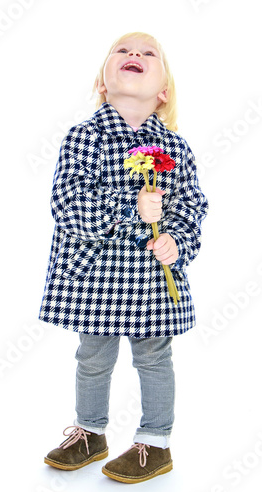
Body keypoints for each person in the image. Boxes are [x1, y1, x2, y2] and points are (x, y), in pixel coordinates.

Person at [39, 31, 209, 484]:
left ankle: (155, 442)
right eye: (123, 51)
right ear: (102, 82)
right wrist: (127, 206)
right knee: (92, 357)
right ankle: (90, 433)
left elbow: (192, 207)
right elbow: (67, 205)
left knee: (154, 358)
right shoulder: (83, 137)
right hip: (95, 274)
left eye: (147, 53)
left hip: (152, 278)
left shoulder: (177, 149)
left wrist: (176, 239)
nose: (134, 55)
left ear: (163, 91)